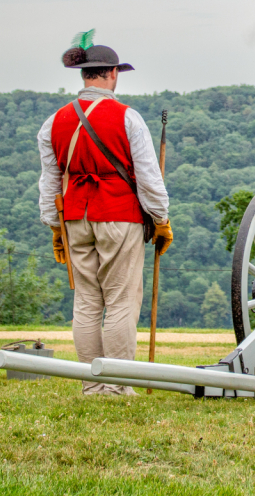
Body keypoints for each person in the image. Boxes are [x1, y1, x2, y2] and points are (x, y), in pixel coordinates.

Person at [37, 30, 173, 396]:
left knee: (86, 301)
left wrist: (54, 226)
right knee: (120, 302)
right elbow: (148, 179)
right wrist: (160, 218)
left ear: (85, 76)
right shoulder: (128, 118)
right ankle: (116, 386)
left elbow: (50, 181)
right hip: (119, 215)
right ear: (112, 74)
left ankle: (91, 385)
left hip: (74, 219)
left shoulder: (53, 123)